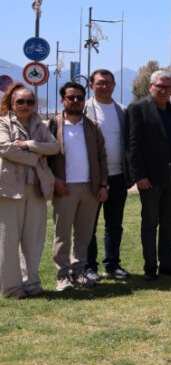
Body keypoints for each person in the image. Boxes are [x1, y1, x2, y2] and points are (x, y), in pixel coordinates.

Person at [128, 70, 171, 281]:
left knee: (169, 222)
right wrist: (139, 176)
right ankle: (150, 266)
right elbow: (132, 146)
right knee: (150, 222)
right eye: (159, 86)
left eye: (167, 87)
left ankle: (167, 263)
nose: (163, 90)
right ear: (150, 87)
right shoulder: (138, 109)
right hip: (150, 178)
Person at [47, 82, 108, 292]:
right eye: (70, 97)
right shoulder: (53, 125)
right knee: (62, 235)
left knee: (84, 235)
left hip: (90, 188)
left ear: (84, 100)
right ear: (63, 100)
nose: (75, 101)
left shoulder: (92, 126)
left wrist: (103, 184)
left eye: (79, 98)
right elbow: (46, 159)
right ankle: (62, 276)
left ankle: (78, 272)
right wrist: (55, 181)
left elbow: (102, 158)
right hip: (64, 188)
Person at [0, 84, 58, 299]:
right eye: (20, 102)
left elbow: (53, 147)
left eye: (30, 101)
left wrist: (28, 144)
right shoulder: (3, 123)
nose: (25, 105)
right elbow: (5, 148)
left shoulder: (40, 124)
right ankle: (12, 287)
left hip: (36, 188)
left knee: (33, 239)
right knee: (8, 239)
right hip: (9, 188)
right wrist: (35, 157)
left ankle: (31, 281)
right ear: (12, 103)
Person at [84, 68, 131, 280]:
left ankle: (112, 265)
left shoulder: (122, 110)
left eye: (108, 83)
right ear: (91, 85)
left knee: (114, 225)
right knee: (89, 225)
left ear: (114, 85)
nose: (104, 86)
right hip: (90, 178)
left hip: (118, 176)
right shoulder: (84, 109)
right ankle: (89, 266)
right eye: (100, 83)